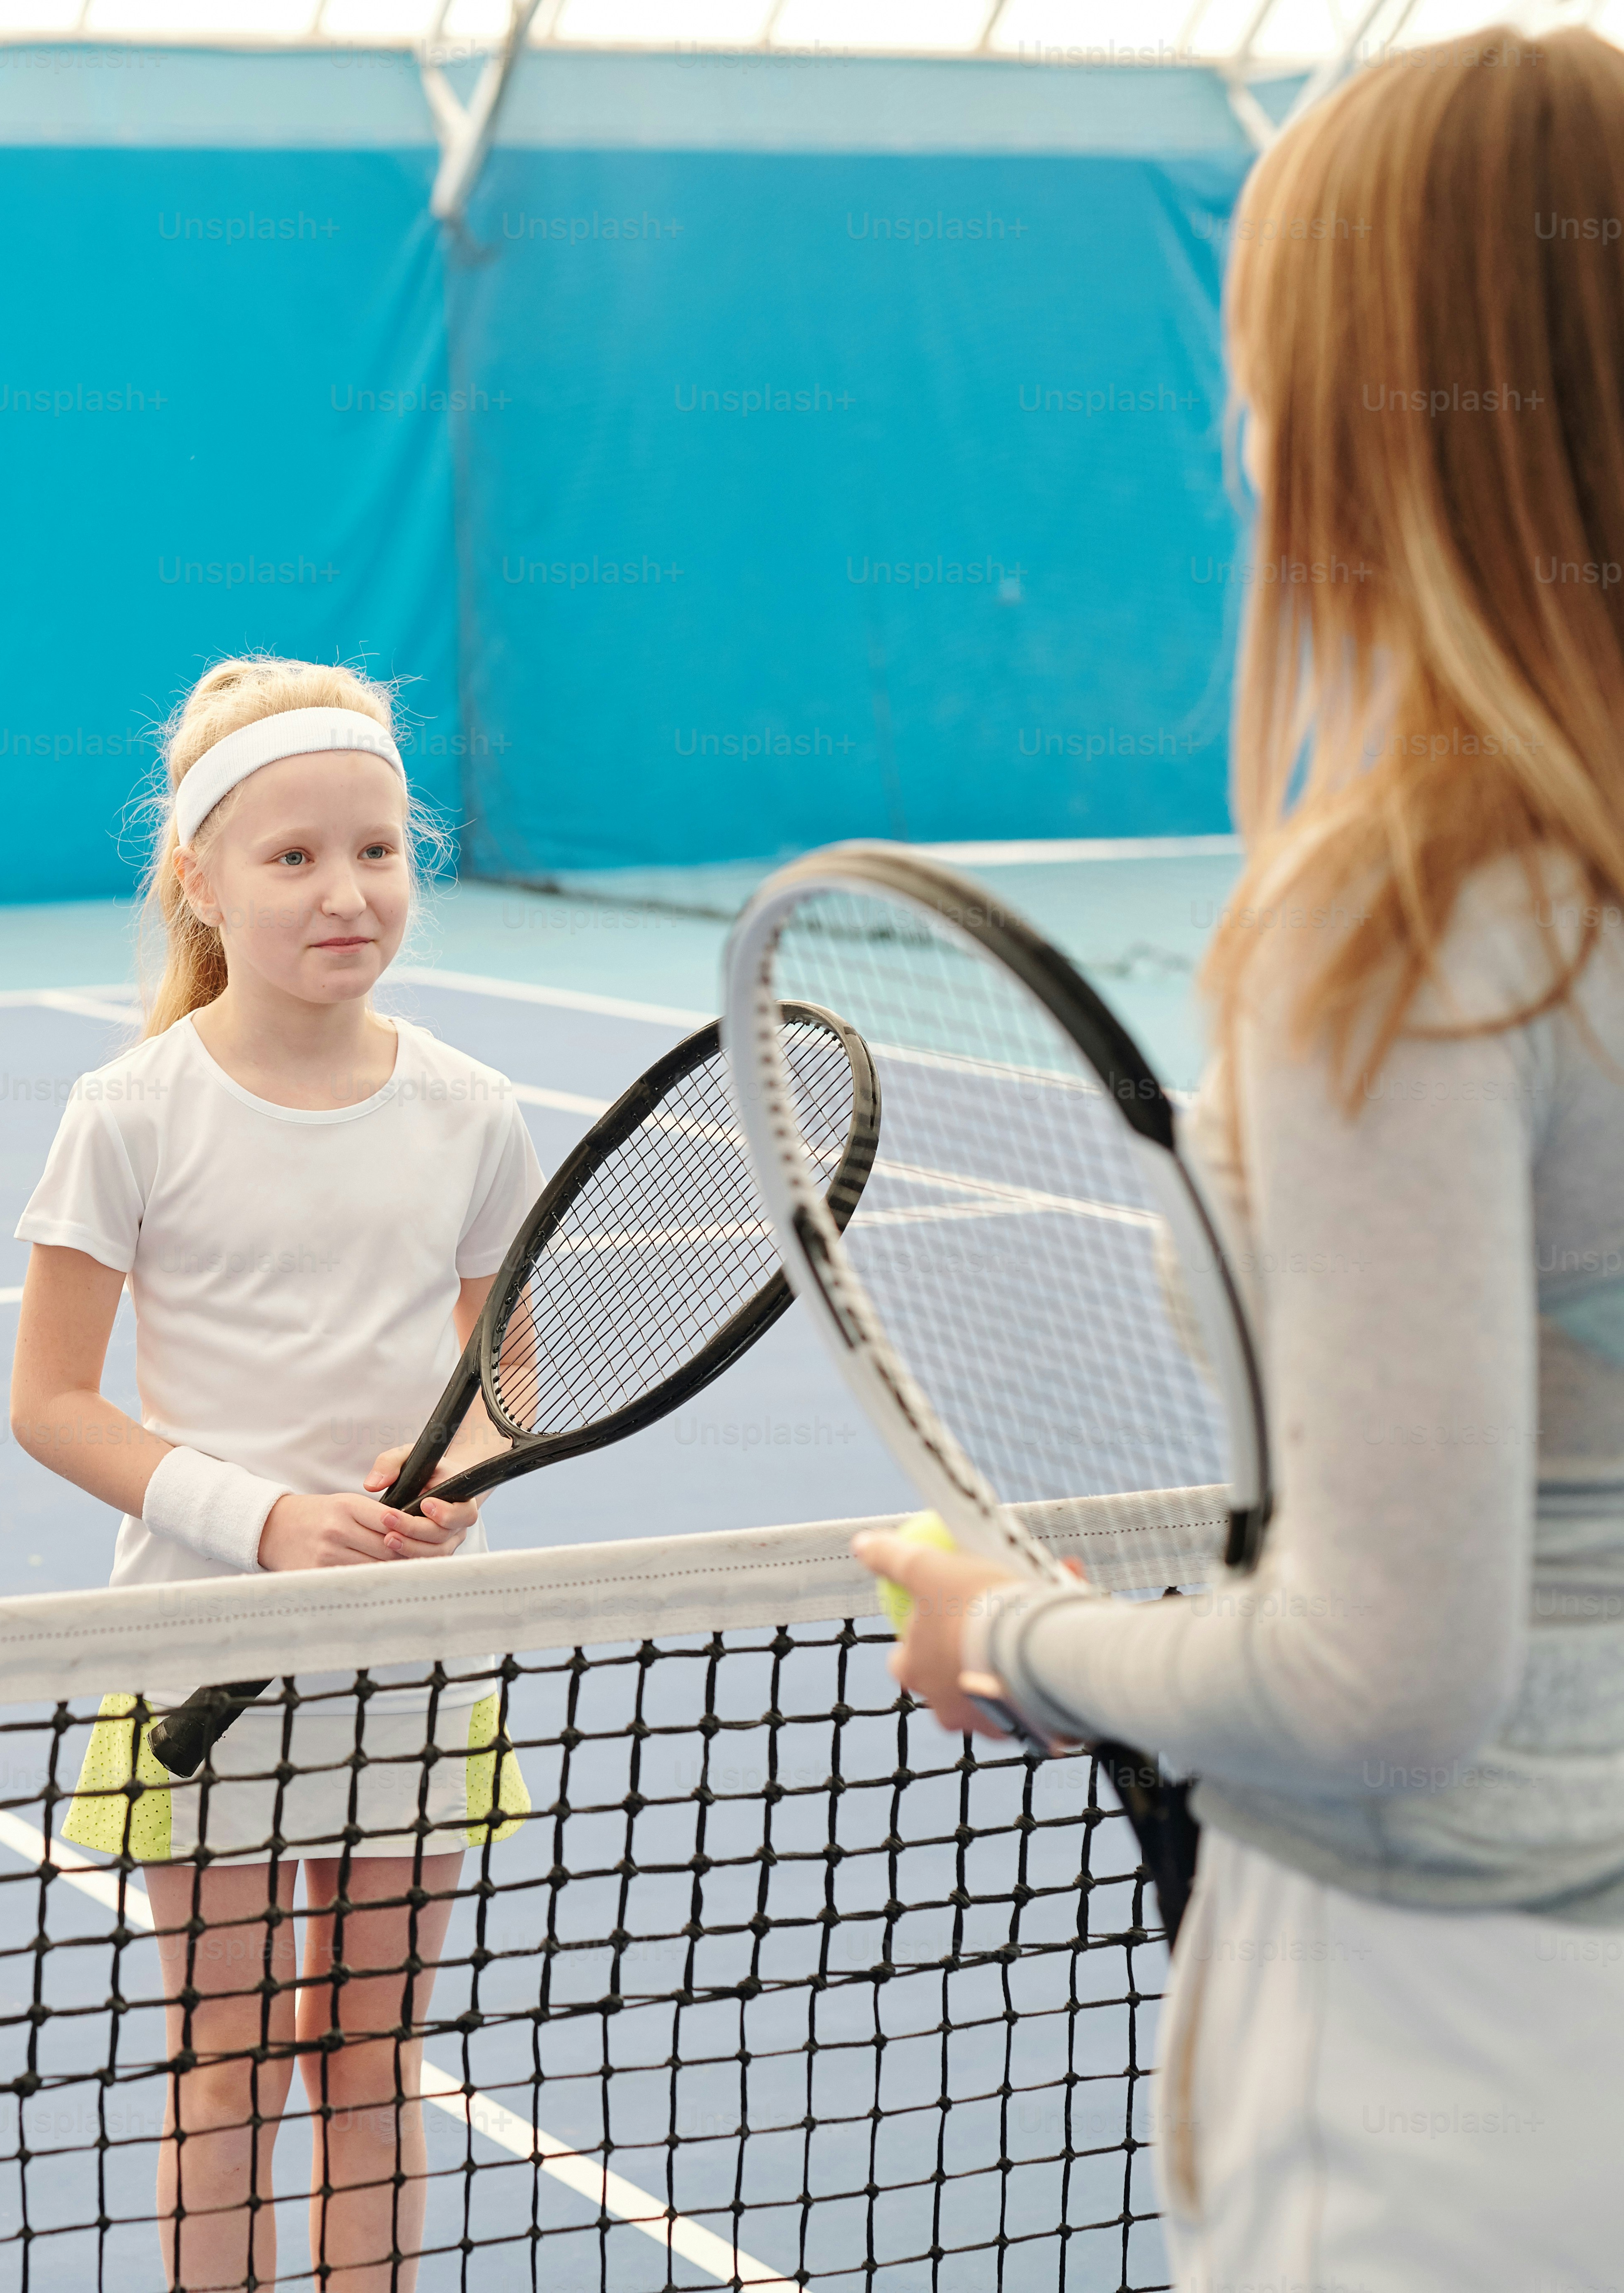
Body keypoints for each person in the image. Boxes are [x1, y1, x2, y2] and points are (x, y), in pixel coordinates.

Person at [858, 31, 1624, 2289]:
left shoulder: (1409, 917)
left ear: (1365, 401)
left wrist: (1031, 1639)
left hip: (1460, 2049)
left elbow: (1388, 1685)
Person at [5, 657, 543, 2293]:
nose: (346, 891)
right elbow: (50, 1402)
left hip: (408, 1660)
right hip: (201, 1664)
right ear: (201, 876)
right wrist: (267, 1517)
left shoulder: (473, 1109)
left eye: (378, 850)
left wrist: (464, 1469)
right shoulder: (128, 1112)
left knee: (372, 2064)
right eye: (294, 856)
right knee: (225, 2067)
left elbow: (507, 1371)